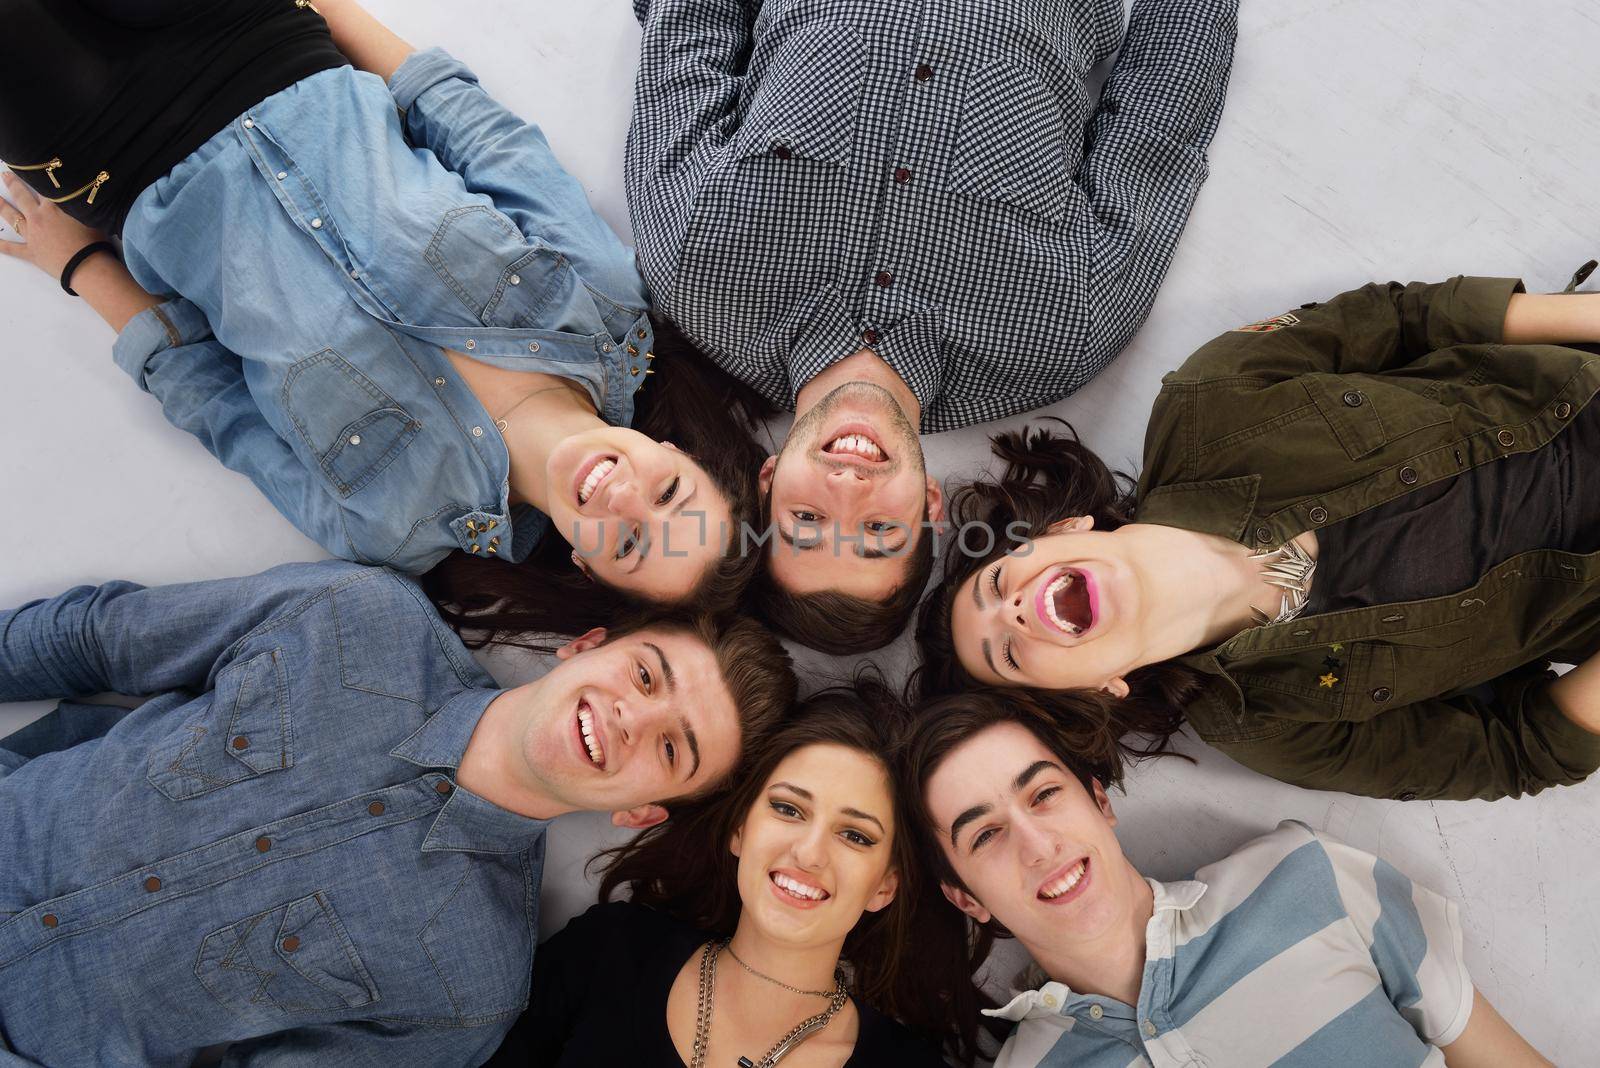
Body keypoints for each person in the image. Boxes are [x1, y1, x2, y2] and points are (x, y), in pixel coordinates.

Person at [0, 0, 758, 615]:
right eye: (668, 494)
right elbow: (478, 135)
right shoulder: (605, 307)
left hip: (112, 156)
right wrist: (329, 8)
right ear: (676, 455)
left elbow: (216, 403)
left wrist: (77, 265)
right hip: (256, 40)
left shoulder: (388, 528)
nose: (626, 497)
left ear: (591, 571)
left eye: (628, 544)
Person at [0, 560, 796, 1066]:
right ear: (584, 647)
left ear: (643, 814)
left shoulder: (471, 990)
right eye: (646, 676)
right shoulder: (356, 617)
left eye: (672, 749)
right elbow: (97, 638)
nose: (632, 718)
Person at [625, 0, 1240, 651]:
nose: (846, 490)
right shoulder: (1060, 334)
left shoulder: (694, 271)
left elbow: (690, 32)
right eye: (877, 534)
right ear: (928, 506)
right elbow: (1160, 130)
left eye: (807, 520)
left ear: (769, 480)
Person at [917, 274, 1600, 801]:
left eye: (998, 581)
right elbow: (1521, 751)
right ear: (1099, 689)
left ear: (1065, 529)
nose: (1010, 611)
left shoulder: (1205, 399)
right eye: (1005, 652)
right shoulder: (1274, 729)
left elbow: (1403, 317)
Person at [903, 691, 1554, 1067]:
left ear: (1100, 802)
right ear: (965, 896)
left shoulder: (1307, 878)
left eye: (1043, 794)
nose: (1037, 844)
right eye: (985, 835)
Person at [490, 682, 982, 1067]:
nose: (809, 853)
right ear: (740, 830)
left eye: (855, 836)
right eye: (788, 809)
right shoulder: (610, 950)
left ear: (885, 885)